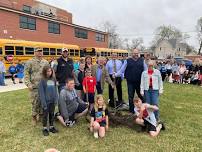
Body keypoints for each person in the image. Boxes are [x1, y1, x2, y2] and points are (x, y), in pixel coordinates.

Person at [116, 49, 147, 113]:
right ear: (132, 54)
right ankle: (131, 110)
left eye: (136, 53)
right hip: (130, 82)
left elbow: (145, 70)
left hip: (139, 82)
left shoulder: (142, 60)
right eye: (134, 53)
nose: (135, 54)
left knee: (141, 96)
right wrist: (116, 74)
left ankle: (144, 109)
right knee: (130, 96)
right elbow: (122, 70)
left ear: (138, 53)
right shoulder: (127, 61)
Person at [24, 47, 49, 125]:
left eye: (41, 51)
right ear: (34, 52)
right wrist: (28, 84)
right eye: (38, 51)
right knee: (35, 102)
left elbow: (48, 73)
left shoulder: (45, 62)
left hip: (44, 86)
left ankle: (41, 116)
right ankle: (34, 117)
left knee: (43, 101)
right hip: (34, 86)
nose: (40, 53)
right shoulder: (30, 62)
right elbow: (26, 74)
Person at [38, 66, 59, 136]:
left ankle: (51, 126)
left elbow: (56, 90)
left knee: (52, 114)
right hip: (46, 102)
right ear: (44, 72)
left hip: (52, 101)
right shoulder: (42, 80)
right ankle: (44, 128)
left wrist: (56, 99)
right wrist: (44, 103)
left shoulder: (53, 79)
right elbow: (41, 93)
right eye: (47, 71)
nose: (49, 73)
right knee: (45, 115)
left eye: (50, 71)